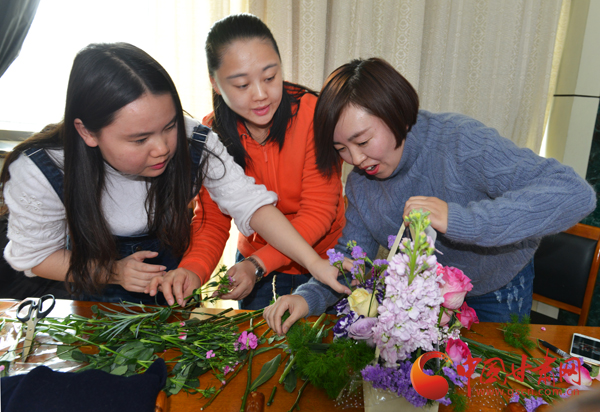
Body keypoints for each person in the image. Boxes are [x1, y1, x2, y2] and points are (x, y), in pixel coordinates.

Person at [264, 57, 596, 334]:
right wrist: (309, 297)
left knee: (490, 384)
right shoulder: (361, 184)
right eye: (342, 149)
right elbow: (353, 259)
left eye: (363, 142)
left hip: (496, 287)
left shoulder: (460, 141)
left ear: (396, 112)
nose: (357, 160)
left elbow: (574, 193)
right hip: (423, 298)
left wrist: (460, 220)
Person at [1, 42, 343, 305]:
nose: (162, 148)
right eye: (139, 139)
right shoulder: (41, 170)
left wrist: (315, 265)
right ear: (87, 132)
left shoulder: (196, 141)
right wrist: (113, 271)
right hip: (90, 288)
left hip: (167, 282)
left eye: (169, 126)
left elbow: (251, 205)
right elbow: (36, 258)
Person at [172, 14, 345, 310]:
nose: (261, 95)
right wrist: (193, 270)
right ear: (215, 83)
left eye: (270, 77)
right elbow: (211, 221)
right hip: (257, 270)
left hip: (323, 260)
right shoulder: (212, 135)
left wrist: (258, 263)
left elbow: (319, 212)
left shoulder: (315, 116)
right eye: (242, 85)